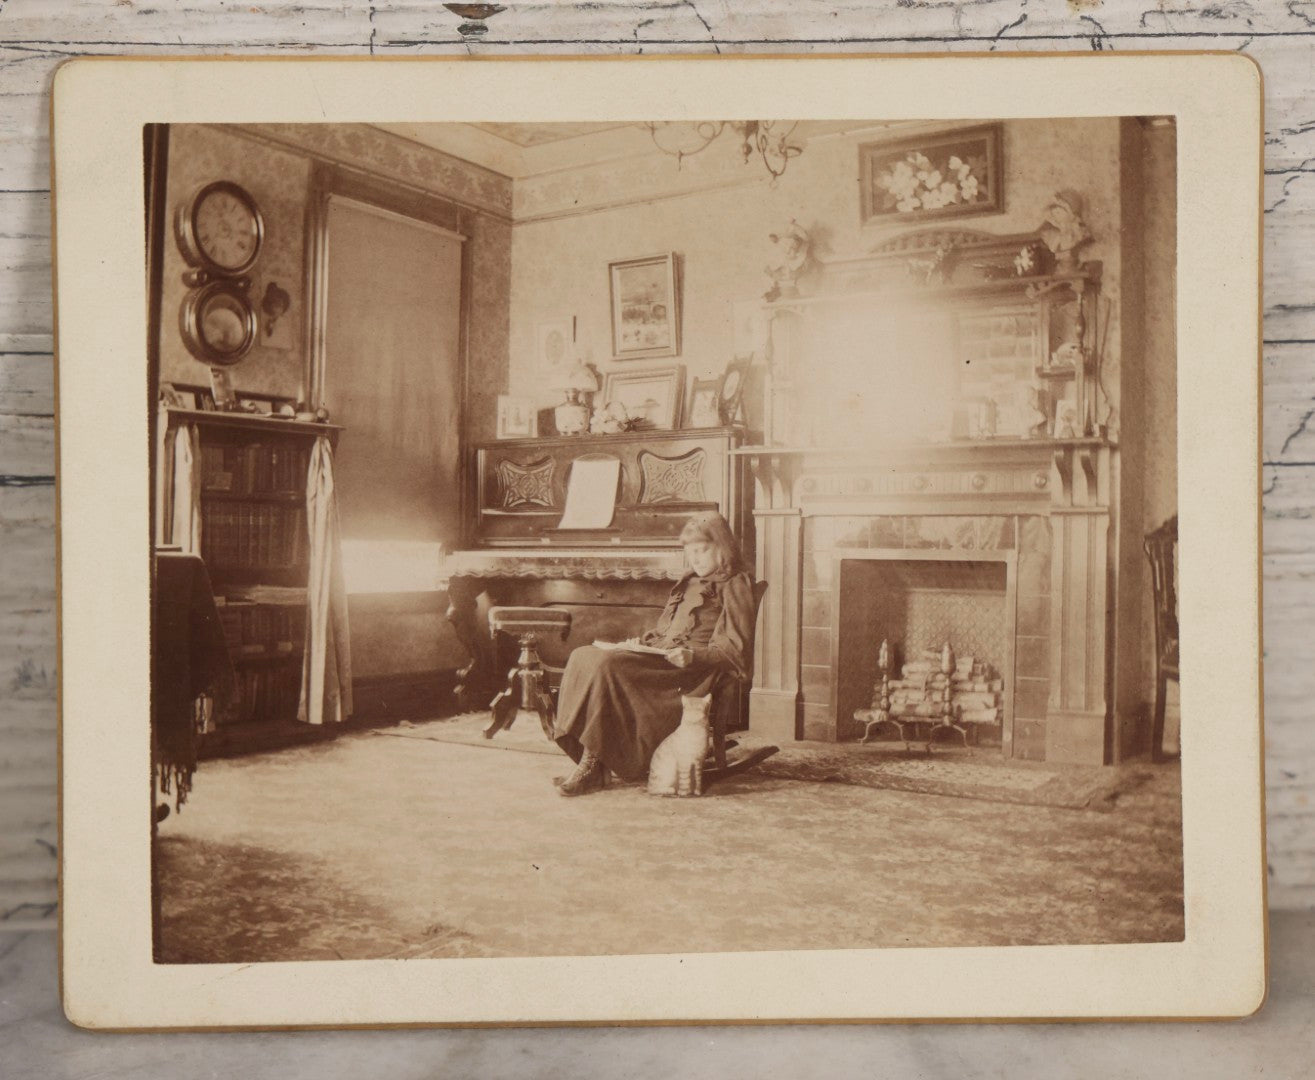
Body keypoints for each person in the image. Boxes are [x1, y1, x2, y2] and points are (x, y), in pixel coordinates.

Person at [552, 511, 756, 796]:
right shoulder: (689, 580)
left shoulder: (735, 584)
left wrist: (692, 656)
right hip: (664, 659)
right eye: (690, 551)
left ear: (722, 548)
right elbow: (668, 629)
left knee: (607, 666)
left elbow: (734, 649)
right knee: (583, 655)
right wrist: (641, 643)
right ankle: (594, 763)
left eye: (702, 550)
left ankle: (592, 765)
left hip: (690, 672)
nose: (695, 558)